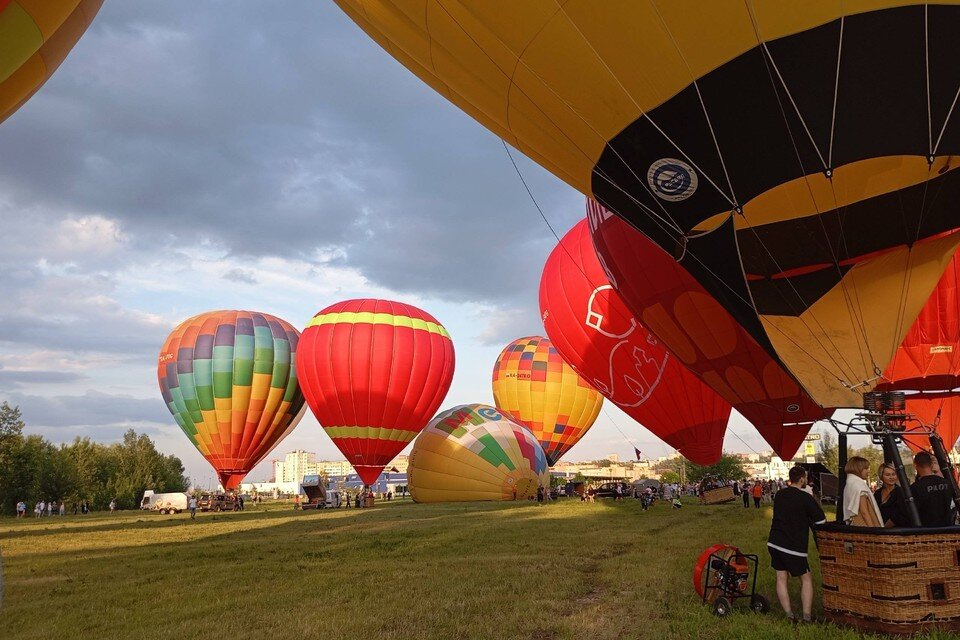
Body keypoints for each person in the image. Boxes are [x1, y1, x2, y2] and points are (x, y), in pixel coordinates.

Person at [767, 466, 827, 623]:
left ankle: (789, 615)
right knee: (806, 578)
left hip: (774, 541)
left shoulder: (780, 494)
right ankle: (807, 617)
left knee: (781, 577)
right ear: (802, 479)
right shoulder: (805, 497)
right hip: (794, 546)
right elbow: (820, 520)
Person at [910, 451, 955, 527]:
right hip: (948, 529)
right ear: (931, 464)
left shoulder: (915, 487)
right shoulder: (947, 483)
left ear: (915, 465)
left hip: (927, 531)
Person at [842, 456, 883, 527]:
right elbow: (864, 511)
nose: (868, 471)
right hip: (865, 526)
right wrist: (873, 529)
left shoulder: (849, 483)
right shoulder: (858, 485)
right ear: (858, 468)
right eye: (866, 468)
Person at [874, 463, 908, 527]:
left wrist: (884, 528)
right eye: (887, 475)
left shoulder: (901, 492)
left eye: (893, 474)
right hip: (879, 529)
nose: (891, 477)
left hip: (897, 531)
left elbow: (900, 516)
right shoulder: (877, 493)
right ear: (881, 476)